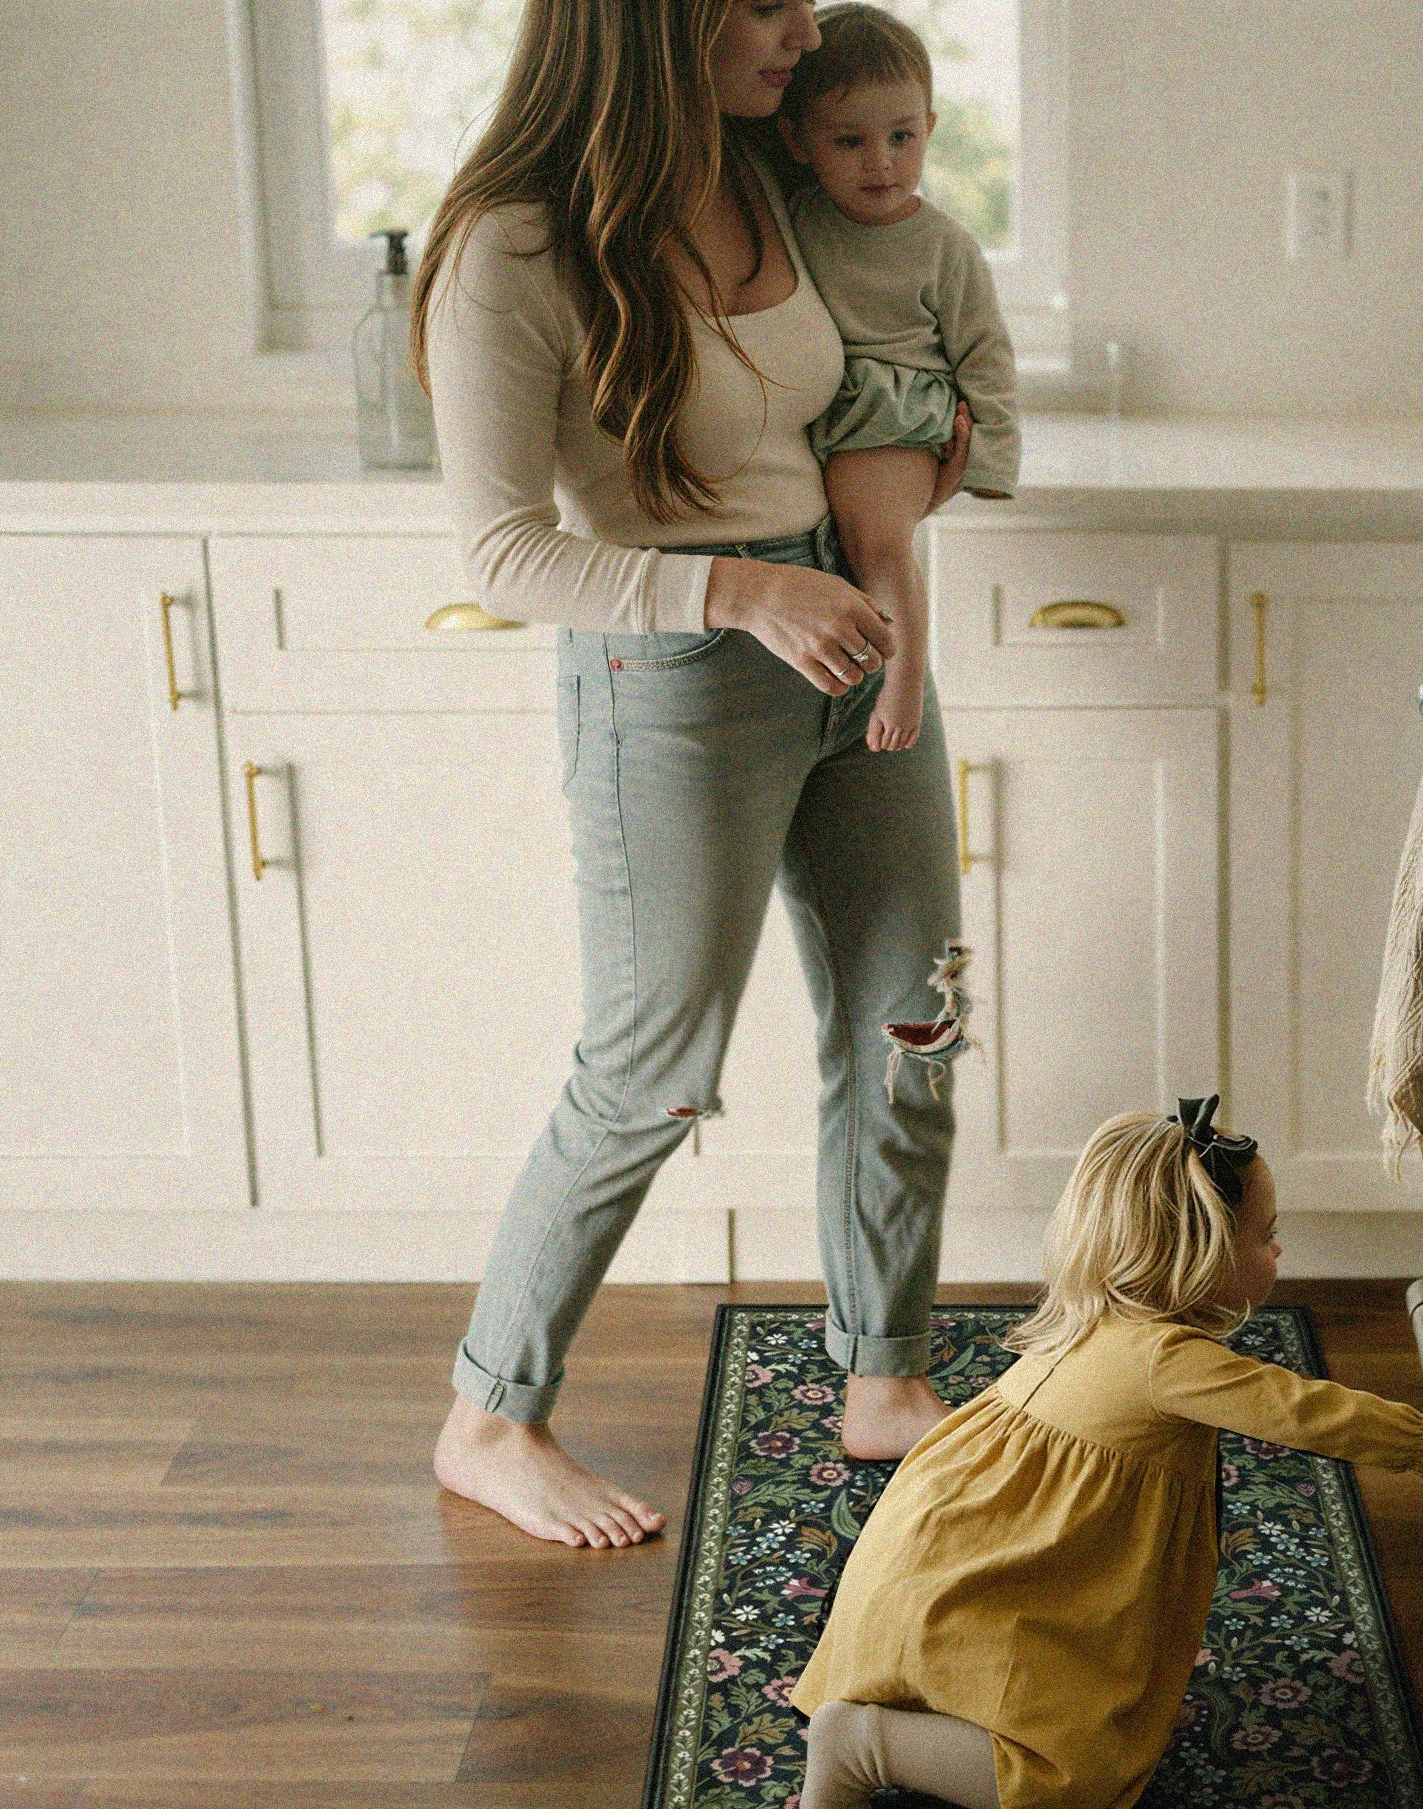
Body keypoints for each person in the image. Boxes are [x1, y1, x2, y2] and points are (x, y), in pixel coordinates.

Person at [414, 0, 978, 1549]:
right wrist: (739, 590)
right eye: (765, 5)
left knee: (914, 1019)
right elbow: (501, 551)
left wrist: (919, 470)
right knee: (652, 1071)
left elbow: (865, 373)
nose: (803, 31)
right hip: (673, 674)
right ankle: (490, 1416)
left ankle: (885, 1373)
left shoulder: (774, 170)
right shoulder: (510, 246)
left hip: (847, 631)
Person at [793, 1101, 1423, 1809]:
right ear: (1199, 1256)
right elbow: (1310, 1413)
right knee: (1072, 1783)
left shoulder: (1090, 1314)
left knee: (1045, 1688)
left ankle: (911, 1713)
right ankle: (862, 1743)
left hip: (960, 1553)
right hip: (984, 1578)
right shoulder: (1168, 1362)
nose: (1278, 1249)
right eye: (1264, 1236)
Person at [777, 3, 1020, 753]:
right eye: (849, 141)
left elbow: (985, 355)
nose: (880, 162)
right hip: (827, 407)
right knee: (843, 547)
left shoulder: (945, 246)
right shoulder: (796, 217)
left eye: (901, 137)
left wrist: (988, 464)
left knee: (877, 543)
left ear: (930, 130)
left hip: (896, 409)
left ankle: (906, 674)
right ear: (798, 142)